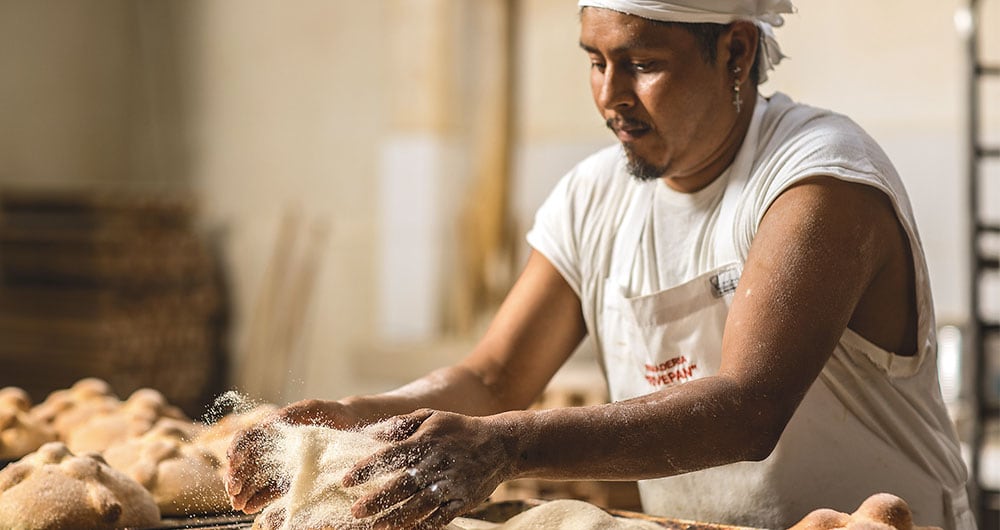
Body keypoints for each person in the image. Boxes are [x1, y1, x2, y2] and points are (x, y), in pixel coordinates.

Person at [226, 1, 975, 529]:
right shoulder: (594, 197)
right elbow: (494, 377)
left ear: (737, 51)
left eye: (644, 64)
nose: (611, 97)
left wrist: (507, 443)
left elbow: (749, 409)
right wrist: (359, 420)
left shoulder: (819, 180)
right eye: (595, 61)